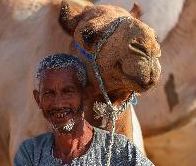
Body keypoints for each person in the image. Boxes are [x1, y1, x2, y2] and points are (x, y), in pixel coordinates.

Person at [14, 53, 154, 166]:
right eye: (49, 93)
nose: (58, 103)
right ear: (38, 99)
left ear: (86, 94)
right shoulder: (30, 152)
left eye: (68, 91)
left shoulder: (119, 149)